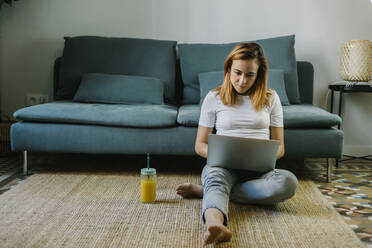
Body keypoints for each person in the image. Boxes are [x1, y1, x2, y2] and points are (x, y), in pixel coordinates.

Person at [176, 42, 299, 246]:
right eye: (237, 73)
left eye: (249, 75)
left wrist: (264, 157)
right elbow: (200, 144)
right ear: (228, 69)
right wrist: (219, 156)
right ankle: (215, 225)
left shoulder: (271, 98)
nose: (242, 81)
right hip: (222, 165)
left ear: (259, 74)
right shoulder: (213, 97)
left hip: (259, 170)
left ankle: (207, 190)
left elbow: (280, 147)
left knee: (288, 182)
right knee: (216, 178)